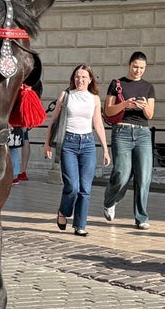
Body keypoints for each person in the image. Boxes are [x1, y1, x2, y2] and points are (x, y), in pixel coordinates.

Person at [43, 64, 111, 235]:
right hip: (68, 143)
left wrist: (105, 149)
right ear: (73, 79)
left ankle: (80, 225)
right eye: (77, 77)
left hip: (87, 144)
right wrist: (47, 143)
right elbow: (53, 121)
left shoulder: (94, 99)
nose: (80, 80)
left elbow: (98, 124)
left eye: (83, 77)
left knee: (85, 188)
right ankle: (63, 211)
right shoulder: (66, 95)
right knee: (72, 186)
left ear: (90, 79)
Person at [102, 51, 157, 229]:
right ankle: (110, 201)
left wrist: (143, 106)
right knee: (122, 172)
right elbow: (108, 110)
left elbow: (150, 114)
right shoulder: (117, 84)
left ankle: (141, 217)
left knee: (144, 176)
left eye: (142, 68)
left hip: (143, 133)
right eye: (135, 67)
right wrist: (126, 104)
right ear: (129, 64)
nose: (138, 70)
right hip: (122, 132)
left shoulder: (148, 87)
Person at [9, 50, 44, 182]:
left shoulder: (18, 76)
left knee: (14, 143)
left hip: (17, 114)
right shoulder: (33, 78)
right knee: (22, 140)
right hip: (23, 113)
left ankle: (17, 172)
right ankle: (21, 171)